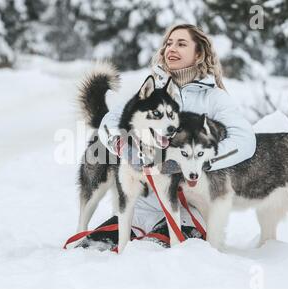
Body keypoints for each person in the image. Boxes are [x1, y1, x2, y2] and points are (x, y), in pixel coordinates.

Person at [79, 24, 256, 250]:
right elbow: (109, 124)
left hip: (188, 211)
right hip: (142, 209)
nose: (171, 48)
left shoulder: (213, 99)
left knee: (155, 258)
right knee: (90, 252)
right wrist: (123, 146)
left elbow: (245, 141)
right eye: (168, 43)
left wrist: (194, 161)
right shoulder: (152, 93)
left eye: (181, 44)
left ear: (199, 53)